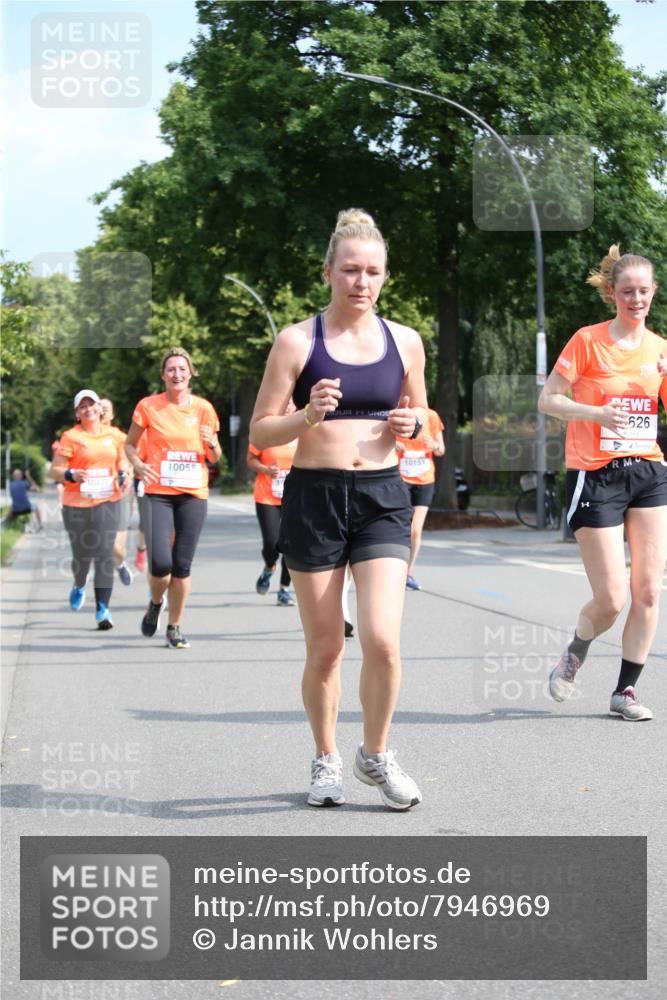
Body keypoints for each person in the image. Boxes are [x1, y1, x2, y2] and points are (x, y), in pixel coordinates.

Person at [250, 208, 428, 809]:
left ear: (384, 277)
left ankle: (375, 755)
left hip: (381, 498)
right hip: (315, 497)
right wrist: (306, 415)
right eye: (350, 269)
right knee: (326, 647)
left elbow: (423, 423)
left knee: (382, 639)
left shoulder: (405, 341)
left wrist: (411, 423)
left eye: (373, 271)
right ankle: (325, 759)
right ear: (328, 272)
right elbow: (261, 432)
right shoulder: (297, 342)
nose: (362, 282)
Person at [538, 244, 667, 721]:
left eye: (644, 292)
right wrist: (596, 412)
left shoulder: (660, 350)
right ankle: (574, 654)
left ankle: (625, 692)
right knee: (612, 599)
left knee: (649, 590)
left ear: (653, 294)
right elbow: (549, 400)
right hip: (596, 474)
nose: (636, 299)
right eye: (627, 291)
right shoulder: (587, 341)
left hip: (649, 471)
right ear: (612, 293)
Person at [125, 347, 221, 650]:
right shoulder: (148, 407)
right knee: (161, 562)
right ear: (163, 375)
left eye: (182, 369)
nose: (177, 374)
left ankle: (174, 626)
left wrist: (214, 444)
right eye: (171, 369)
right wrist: (138, 464)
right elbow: (129, 445)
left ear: (191, 373)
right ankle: (156, 602)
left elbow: (215, 457)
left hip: (193, 494)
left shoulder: (204, 408)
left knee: (182, 565)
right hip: (158, 494)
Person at [51, 389, 126, 629]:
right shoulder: (70, 437)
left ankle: (103, 609)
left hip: (107, 500)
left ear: (99, 408)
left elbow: (122, 460)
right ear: (77, 413)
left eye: (91, 404)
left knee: (104, 555)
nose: (88, 409)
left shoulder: (115, 435)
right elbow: (55, 471)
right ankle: (79, 583)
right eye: (82, 406)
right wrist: (72, 473)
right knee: (82, 557)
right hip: (76, 504)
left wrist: (123, 473)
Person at [247, 413, 297, 607]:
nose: (287, 407)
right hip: (267, 496)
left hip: (295, 497)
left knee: (291, 546)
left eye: (291, 402)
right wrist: (266, 469)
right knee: (271, 543)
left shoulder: (303, 429)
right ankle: (269, 567)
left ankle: (284, 590)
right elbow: (251, 459)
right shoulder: (266, 429)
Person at [396, 406, 445, 590]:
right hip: (401, 479)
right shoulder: (398, 413)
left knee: (415, 530)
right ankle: (395, 571)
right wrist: (393, 446)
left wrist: (435, 446)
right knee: (402, 527)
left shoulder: (432, 416)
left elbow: (441, 450)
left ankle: (408, 572)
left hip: (424, 479)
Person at [99, 398, 133, 587]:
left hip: (117, 495)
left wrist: (127, 475)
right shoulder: (83, 437)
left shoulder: (120, 437)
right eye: (99, 408)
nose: (102, 412)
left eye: (106, 409)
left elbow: (128, 461)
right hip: (93, 498)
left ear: (112, 415)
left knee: (117, 547)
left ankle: (119, 564)